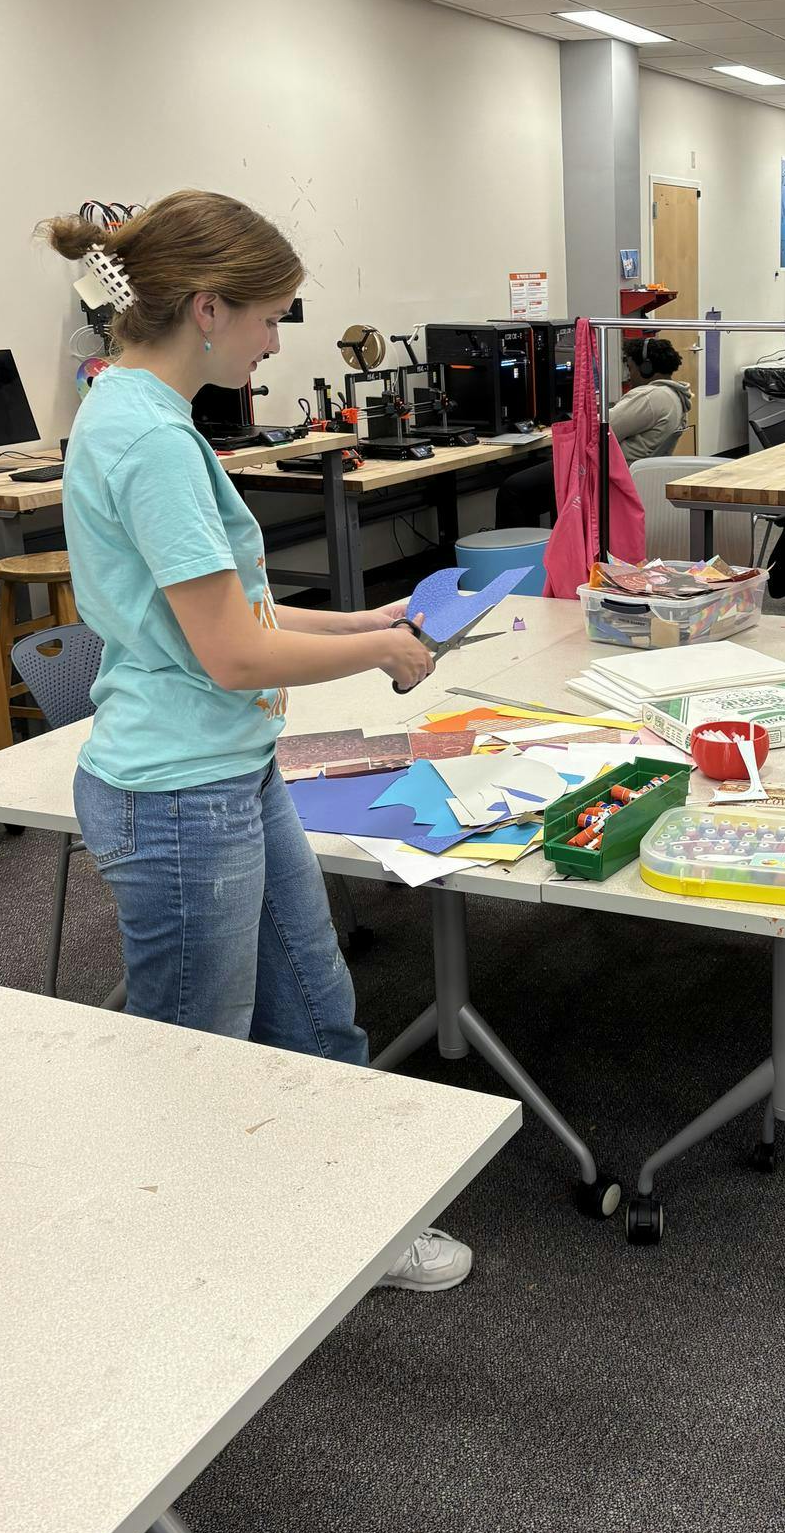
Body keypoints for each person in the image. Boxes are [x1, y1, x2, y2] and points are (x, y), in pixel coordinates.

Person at [43, 190, 469, 1293]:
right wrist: (378, 656)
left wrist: (368, 620)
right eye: (271, 317)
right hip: (178, 793)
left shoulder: (135, 407)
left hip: (226, 770)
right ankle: (194, 1286)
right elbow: (233, 653)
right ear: (206, 308)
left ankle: (353, 1222)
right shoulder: (149, 438)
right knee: (200, 1063)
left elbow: (240, 615)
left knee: (316, 1012)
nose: (277, 342)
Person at [495, 334, 694, 528]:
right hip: (619, 474)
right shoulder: (674, 396)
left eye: (630, 368)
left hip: (602, 475)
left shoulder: (650, 397)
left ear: (646, 368)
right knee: (538, 481)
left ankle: (524, 549)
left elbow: (597, 431)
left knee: (513, 489)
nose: (629, 376)